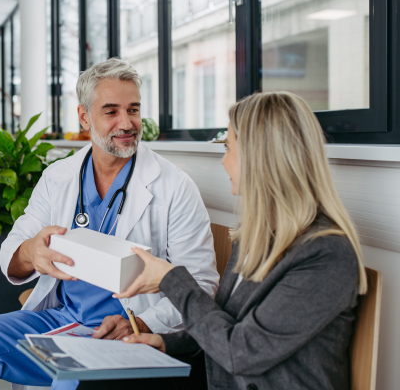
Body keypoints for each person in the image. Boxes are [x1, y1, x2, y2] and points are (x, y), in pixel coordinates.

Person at [0, 58, 220, 390]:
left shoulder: (173, 185)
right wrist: (31, 252)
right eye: (111, 111)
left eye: (133, 109)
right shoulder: (59, 177)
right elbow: (14, 251)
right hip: (61, 319)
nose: (127, 123)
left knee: (71, 383)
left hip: (126, 333)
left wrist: (141, 323)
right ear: (84, 117)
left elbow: (200, 283)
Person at [77, 91, 368, 390]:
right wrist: (166, 343)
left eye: (229, 148)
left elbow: (241, 352)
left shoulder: (326, 255)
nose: (224, 161)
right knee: (97, 376)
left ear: (262, 155)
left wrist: (170, 279)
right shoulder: (259, 236)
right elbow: (226, 323)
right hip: (219, 376)